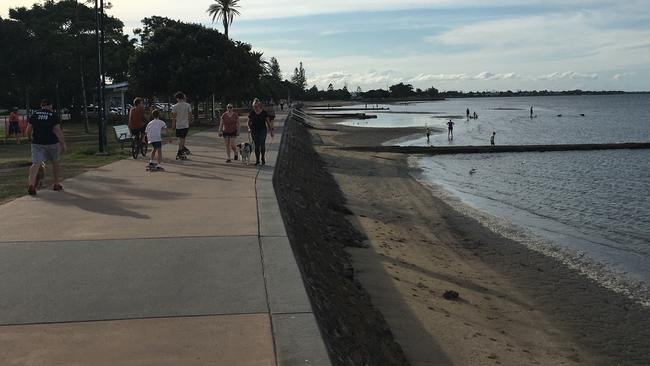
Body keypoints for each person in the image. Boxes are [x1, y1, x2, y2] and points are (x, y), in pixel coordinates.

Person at [26, 99, 67, 195]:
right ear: (50, 106)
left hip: (37, 142)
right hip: (52, 143)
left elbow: (28, 129)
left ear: (41, 106)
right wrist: (63, 143)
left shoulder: (35, 114)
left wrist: (29, 138)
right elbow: (57, 130)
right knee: (55, 162)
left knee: (36, 163)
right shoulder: (53, 115)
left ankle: (31, 184)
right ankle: (56, 183)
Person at [248, 98, 274, 165]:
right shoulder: (252, 113)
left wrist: (271, 131)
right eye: (254, 107)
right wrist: (249, 128)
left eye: (256, 106)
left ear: (259, 106)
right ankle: (257, 160)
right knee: (256, 146)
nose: (255, 108)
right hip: (254, 130)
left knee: (262, 144)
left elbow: (268, 122)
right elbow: (248, 122)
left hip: (262, 130)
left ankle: (262, 157)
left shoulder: (264, 113)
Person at [171, 92, 193, 159]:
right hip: (185, 125)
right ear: (183, 98)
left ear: (177, 98)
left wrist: (173, 125)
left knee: (181, 139)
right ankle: (179, 152)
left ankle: (181, 151)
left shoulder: (175, 106)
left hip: (178, 125)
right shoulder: (187, 105)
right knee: (182, 139)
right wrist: (189, 122)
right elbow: (190, 115)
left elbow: (174, 117)